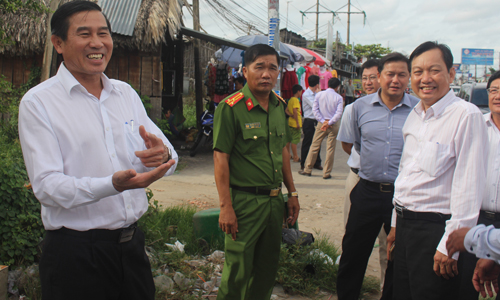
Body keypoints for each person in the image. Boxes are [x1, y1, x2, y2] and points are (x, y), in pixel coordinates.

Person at [17, 2, 178, 300]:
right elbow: (47, 186)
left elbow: (163, 149)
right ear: (59, 43)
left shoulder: (124, 93)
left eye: (103, 33)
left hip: (131, 248)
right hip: (76, 255)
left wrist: (163, 156)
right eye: (84, 34)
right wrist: (111, 185)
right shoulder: (38, 103)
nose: (97, 43)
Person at [388, 41, 488, 300]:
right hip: (406, 225)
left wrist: (450, 247)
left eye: (434, 70)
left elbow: (469, 186)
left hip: (436, 231)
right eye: (418, 72)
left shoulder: (465, 115)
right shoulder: (415, 114)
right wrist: (395, 224)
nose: (425, 79)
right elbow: (405, 174)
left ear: (451, 74)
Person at [212, 44, 300, 300]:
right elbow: (220, 158)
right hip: (244, 203)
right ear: (246, 70)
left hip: (274, 203)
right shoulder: (231, 108)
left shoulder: (278, 106)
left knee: (266, 269)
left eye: (272, 68)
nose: (266, 74)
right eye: (259, 67)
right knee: (237, 272)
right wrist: (225, 206)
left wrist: (291, 193)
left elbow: (283, 151)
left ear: (278, 73)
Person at [336, 52, 419, 300]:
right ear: (380, 76)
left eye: (402, 74)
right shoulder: (358, 108)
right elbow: (351, 144)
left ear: (409, 78)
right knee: (353, 253)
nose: (395, 79)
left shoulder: (420, 109)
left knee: (397, 256)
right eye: (390, 74)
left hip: (403, 195)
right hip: (367, 191)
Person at [445, 70, 500, 299]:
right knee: (467, 285)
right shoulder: (476, 126)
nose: (497, 96)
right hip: (475, 220)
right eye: (494, 90)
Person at [338, 59, 390, 292]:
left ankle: (385, 289)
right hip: (359, 179)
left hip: (393, 187)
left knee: (389, 244)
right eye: (365, 77)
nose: (369, 82)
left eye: (374, 77)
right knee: (355, 240)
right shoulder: (354, 108)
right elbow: (348, 144)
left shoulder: (411, 108)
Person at [298, 78, 343, 179]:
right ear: (337, 87)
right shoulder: (339, 97)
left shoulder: (319, 95)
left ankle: (307, 169)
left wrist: (323, 122)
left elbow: (315, 110)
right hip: (333, 124)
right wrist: (330, 122)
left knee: (314, 146)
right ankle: (326, 173)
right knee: (330, 148)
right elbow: (339, 113)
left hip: (321, 123)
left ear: (328, 84)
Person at [300, 75, 323, 171]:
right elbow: (315, 105)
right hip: (309, 121)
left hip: (316, 121)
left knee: (317, 142)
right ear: (317, 84)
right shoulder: (306, 94)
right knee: (307, 142)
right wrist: (319, 95)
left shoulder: (315, 93)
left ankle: (316, 162)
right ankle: (304, 163)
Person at [287, 84, 303, 162]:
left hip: (290, 122)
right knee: (295, 140)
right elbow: (295, 110)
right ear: (298, 91)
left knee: (289, 139)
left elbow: (286, 110)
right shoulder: (296, 100)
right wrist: (297, 122)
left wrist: (291, 115)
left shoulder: (290, 100)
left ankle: (288, 154)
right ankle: (295, 156)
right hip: (295, 123)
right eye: (301, 92)